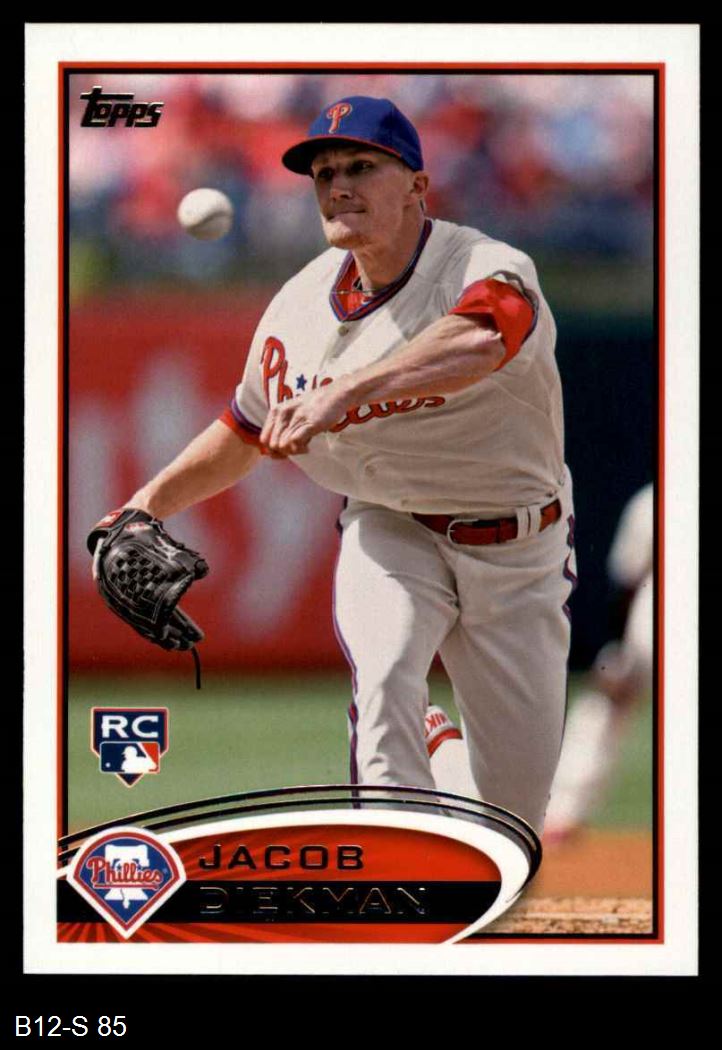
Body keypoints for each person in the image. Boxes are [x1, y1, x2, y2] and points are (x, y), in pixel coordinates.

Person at [118, 96, 577, 835]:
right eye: (324, 173)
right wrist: (145, 505)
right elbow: (244, 429)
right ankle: (396, 871)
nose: (338, 186)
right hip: (392, 526)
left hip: (517, 544)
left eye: (361, 167)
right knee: (386, 675)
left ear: (418, 186)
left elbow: (484, 337)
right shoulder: (298, 306)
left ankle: (441, 750)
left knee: (512, 823)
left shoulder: (482, 263)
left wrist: (348, 390)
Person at [544, 482, 653, 843]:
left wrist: (618, 647)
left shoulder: (652, 500)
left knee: (603, 707)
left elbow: (628, 581)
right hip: (658, 613)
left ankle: (564, 812)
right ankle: (563, 814)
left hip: (657, 614)